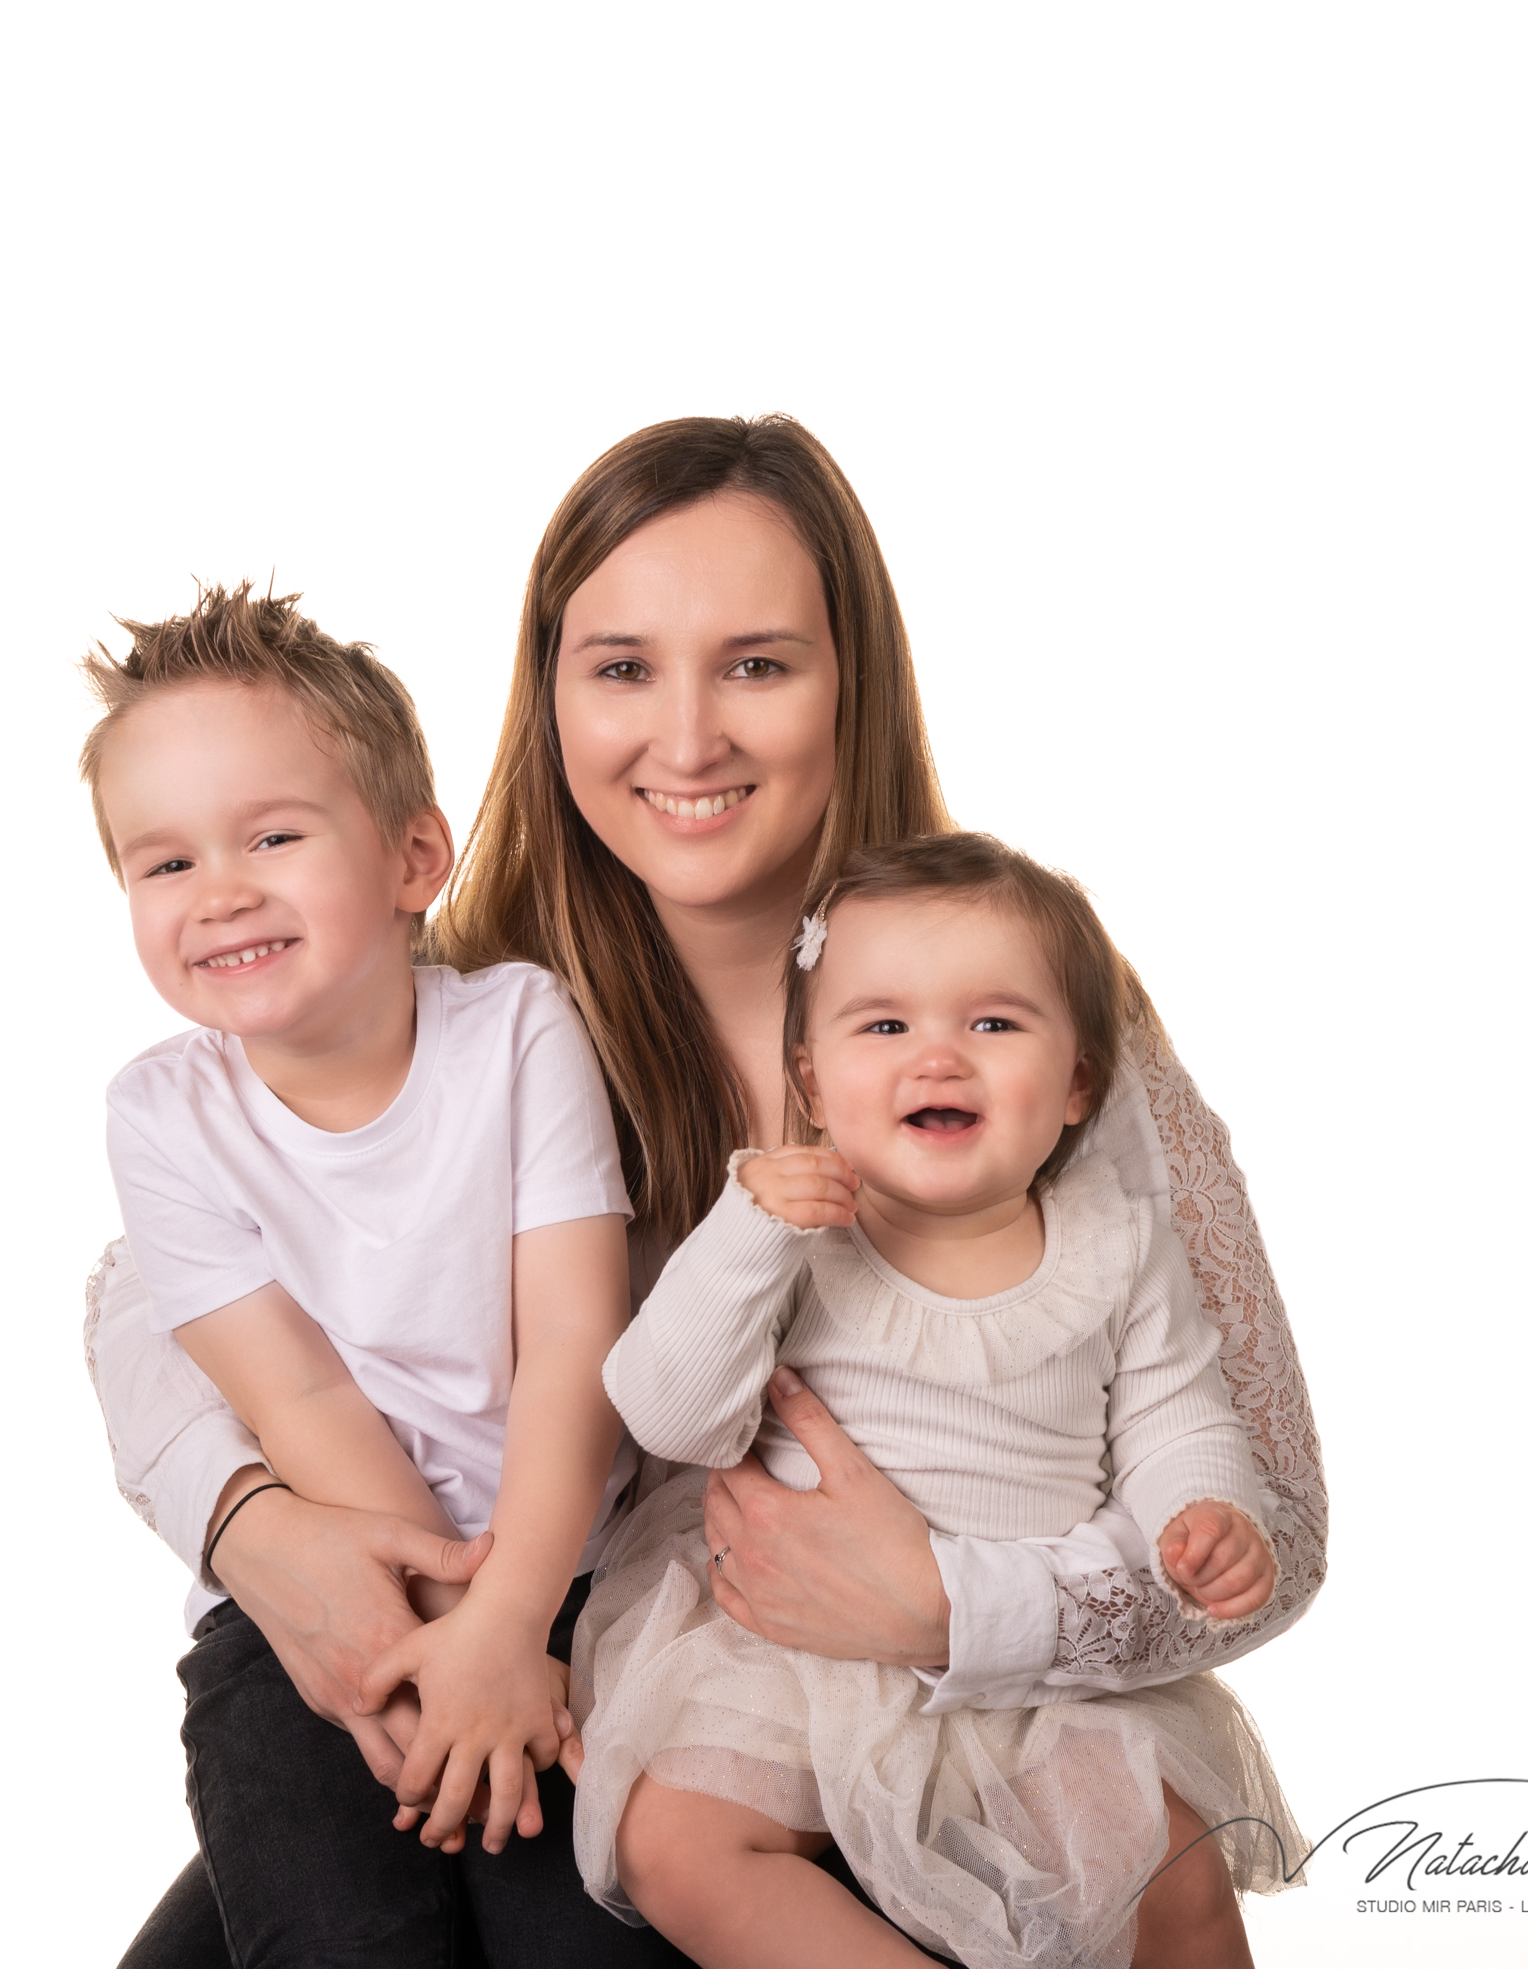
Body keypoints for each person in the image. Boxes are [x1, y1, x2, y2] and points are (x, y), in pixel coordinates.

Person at [85, 414, 1327, 1967]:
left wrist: (948, 1607)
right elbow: (143, 1302)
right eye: (621, 668)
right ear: (549, 695)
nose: (686, 740)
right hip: (595, 1670)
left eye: (756, 664)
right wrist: (256, 1528)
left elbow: (1272, 1513)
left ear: (847, 680)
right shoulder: (467, 1003)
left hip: (939, 1716)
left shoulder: (1013, 1020)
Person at [576, 834, 1300, 1969]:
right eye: (882, 1024)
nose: (938, 1057)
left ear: (1077, 1083)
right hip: (789, 1656)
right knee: (677, 1839)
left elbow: (1177, 1415)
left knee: (1175, 1873)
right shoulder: (789, 1234)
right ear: (812, 1080)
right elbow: (667, 1412)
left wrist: (1203, 1512)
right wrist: (746, 1228)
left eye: (993, 1023)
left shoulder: (1115, 1241)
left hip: (1033, 1676)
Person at [82, 584, 665, 1959]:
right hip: (308, 1614)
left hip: (555, 1583)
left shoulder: (520, 1032)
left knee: (578, 1933)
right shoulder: (161, 1115)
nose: (218, 892)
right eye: (162, 865)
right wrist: (427, 1659)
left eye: (272, 835)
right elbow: (302, 1403)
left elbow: (576, 1350)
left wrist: (506, 1628)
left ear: (416, 856)